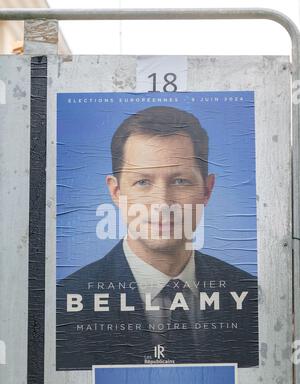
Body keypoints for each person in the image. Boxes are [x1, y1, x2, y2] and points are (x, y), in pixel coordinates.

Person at [56, 106, 258, 370]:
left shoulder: (252, 296)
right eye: (142, 182)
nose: (162, 203)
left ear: (206, 190)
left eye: (180, 181)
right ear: (116, 192)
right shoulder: (62, 303)